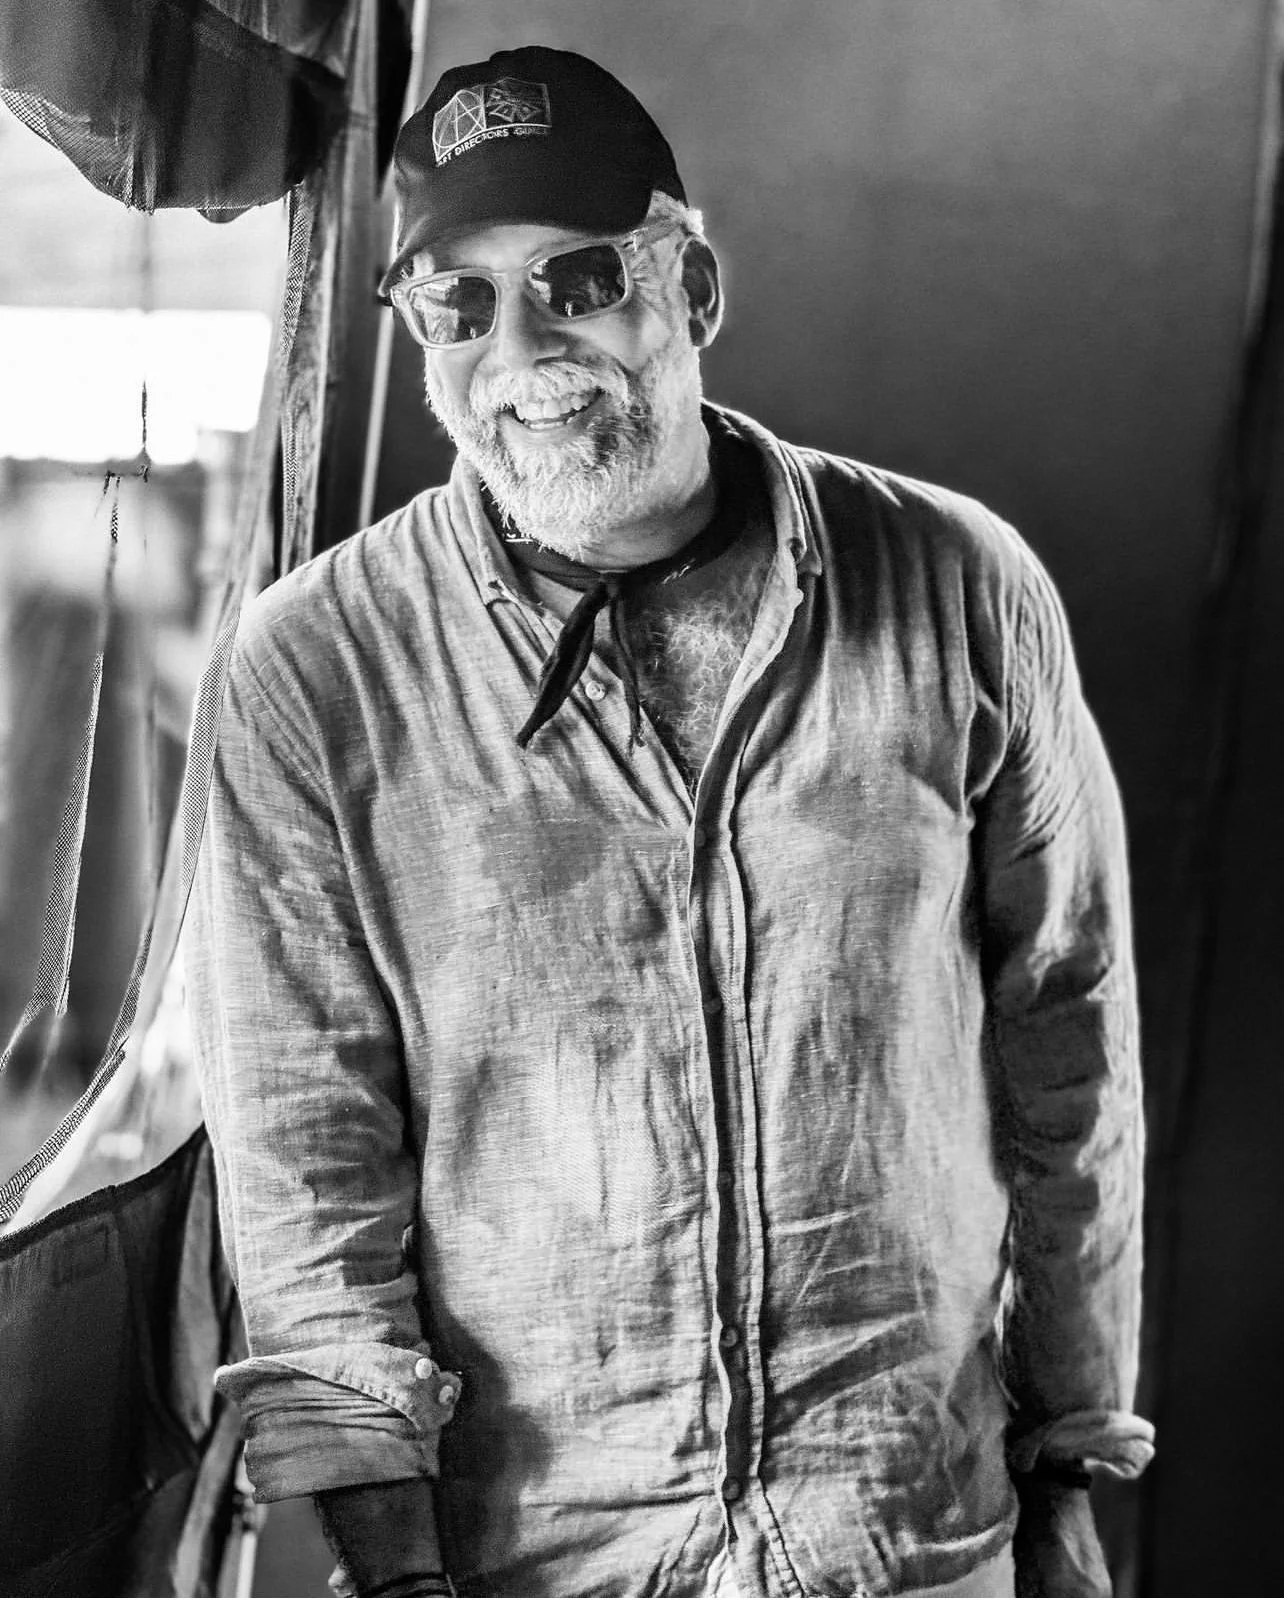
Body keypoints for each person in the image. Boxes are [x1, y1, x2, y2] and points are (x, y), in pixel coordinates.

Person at [187, 44, 1153, 1599]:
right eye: (456, 304)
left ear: (691, 288)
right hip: (540, 1557)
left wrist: (1070, 1455)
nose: (521, 349)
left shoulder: (959, 586)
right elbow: (306, 1147)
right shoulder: (315, 668)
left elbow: (1069, 1043)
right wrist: (396, 1567)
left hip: (907, 1529)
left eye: (577, 282)